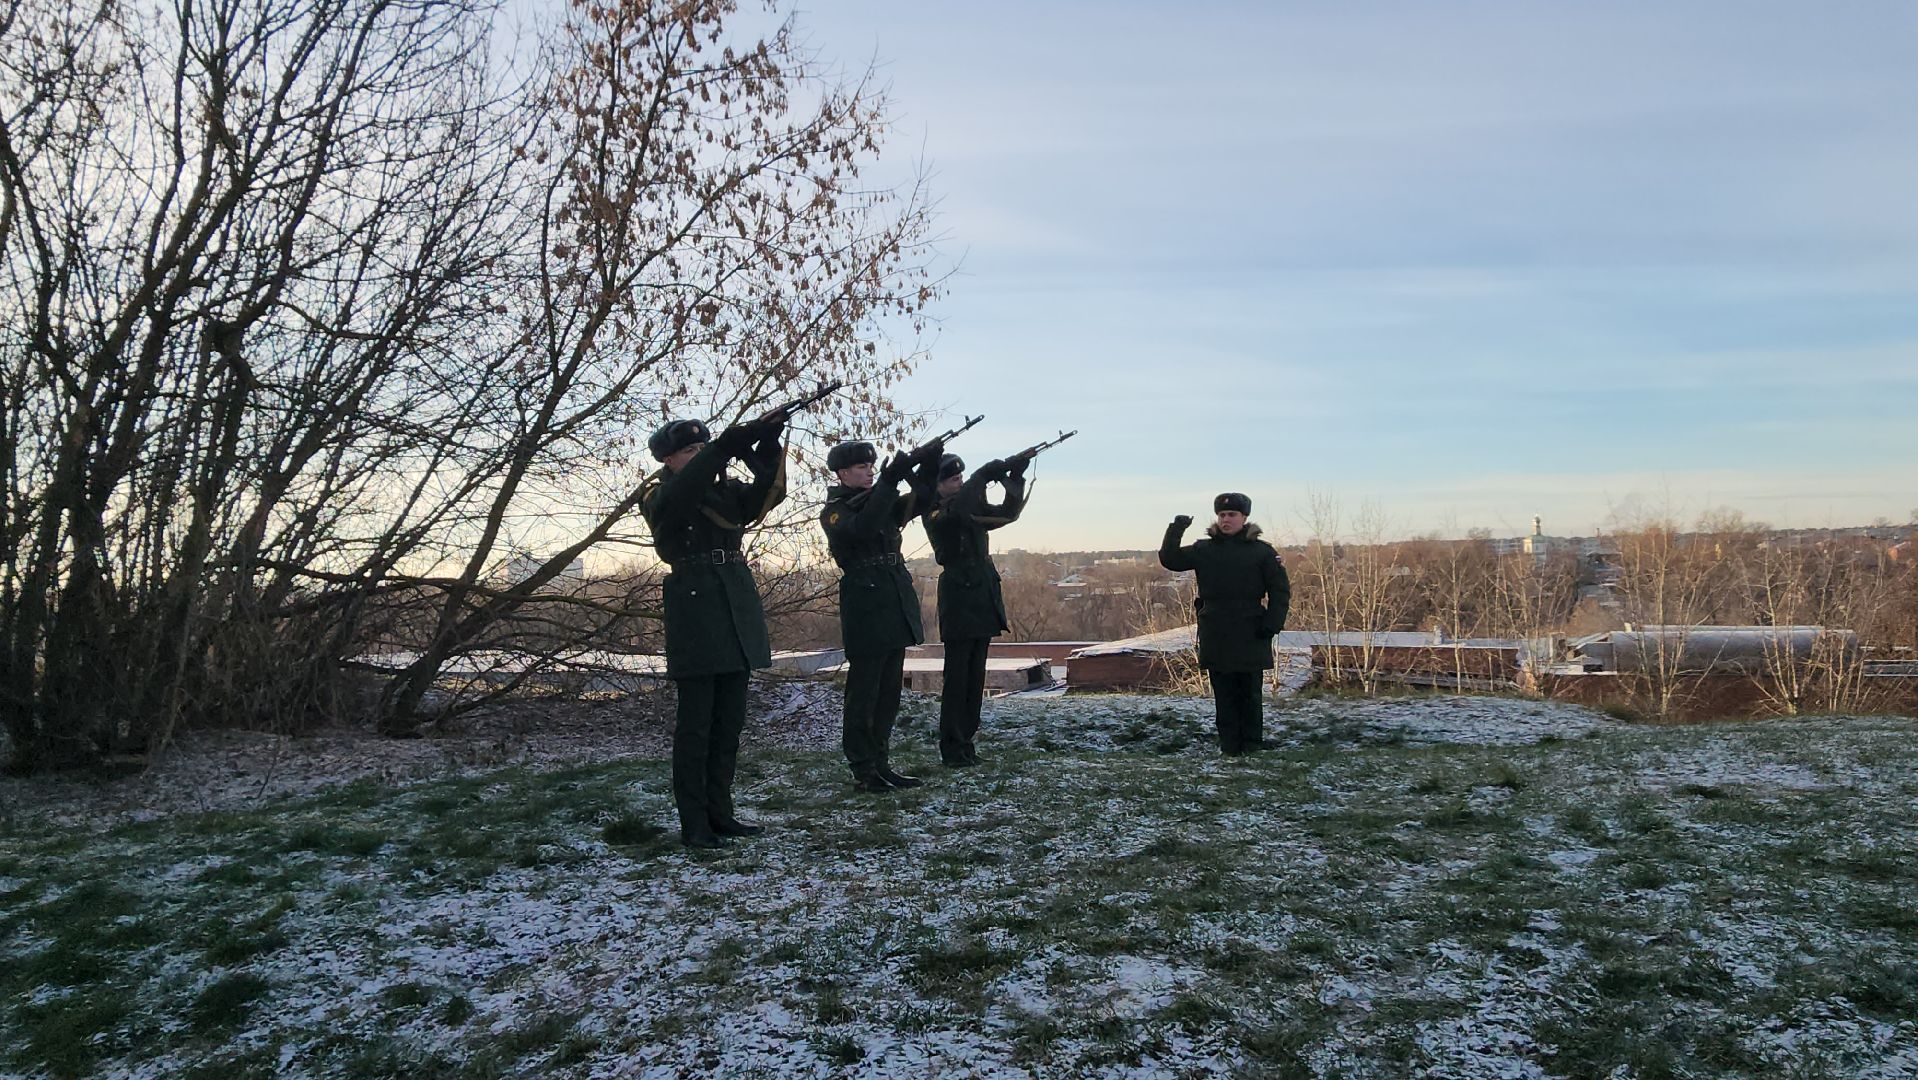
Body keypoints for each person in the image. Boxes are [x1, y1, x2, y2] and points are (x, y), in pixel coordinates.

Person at [640, 412, 787, 848]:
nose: (700, 455)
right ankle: (694, 822)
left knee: (729, 722)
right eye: (690, 450)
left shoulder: (723, 490)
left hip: (733, 600)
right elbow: (677, 500)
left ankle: (721, 813)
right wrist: (722, 448)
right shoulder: (657, 491)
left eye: (703, 448)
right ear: (667, 459)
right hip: (696, 604)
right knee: (696, 725)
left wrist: (762, 446)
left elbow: (767, 496)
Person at [821, 438, 940, 792]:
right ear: (843, 473)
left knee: (889, 691)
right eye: (861, 467)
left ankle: (881, 761)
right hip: (866, 603)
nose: (870, 472)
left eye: (872, 466)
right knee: (865, 691)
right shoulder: (836, 510)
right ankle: (862, 765)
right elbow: (865, 528)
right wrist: (889, 482)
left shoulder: (879, 499)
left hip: (891, 598)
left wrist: (928, 466)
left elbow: (923, 500)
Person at [1158, 492, 1291, 755]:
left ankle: (1252, 744)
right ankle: (1229, 745)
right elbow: (1170, 560)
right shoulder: (1204, 549)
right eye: (1222, 515)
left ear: (1244, 518)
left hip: (1251, 627)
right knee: (1224, 693)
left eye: (1232, 515)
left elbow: (1280, 590)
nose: (1226, 519)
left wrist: (1272, 623)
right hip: (1216, 627)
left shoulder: (1262, 552)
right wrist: (1176, 529)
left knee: (1250, 693)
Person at [918, 452, 1028, 766]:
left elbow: (1007, 514)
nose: (961, 482)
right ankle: (952, 746)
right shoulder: (936, 511)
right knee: (958, 677)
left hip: (980, 592)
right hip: (959, 595)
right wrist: (982, 476)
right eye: (954, 479)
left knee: (975, 675)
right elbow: (959, 512)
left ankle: (966, 742)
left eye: (962, 478)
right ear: (938, 485)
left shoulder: (966, 503)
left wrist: (1014, 478)